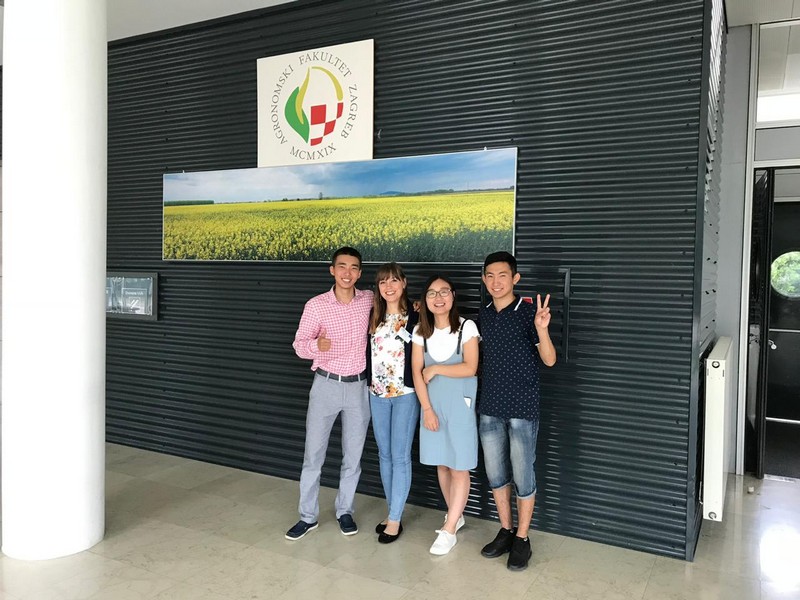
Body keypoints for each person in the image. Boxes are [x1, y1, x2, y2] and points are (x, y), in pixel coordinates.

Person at [286, 246, 373, 540]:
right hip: (326, 385)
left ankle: (344, 511)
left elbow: (394, 305)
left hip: (359, 387)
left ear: (359, 273)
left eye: (354, 267)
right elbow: (299, 344)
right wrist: (316, 346)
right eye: (342, 267)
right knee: (313, 455)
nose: (348, 273)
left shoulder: (369, 299)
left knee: (353, 456)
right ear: (332, 270)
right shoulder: (316, 305)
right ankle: (307, 516)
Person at [477, 251, 556, 571]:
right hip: (489, 407)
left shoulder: (528, 313)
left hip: (522, 408)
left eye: (503, 275)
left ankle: (522, 538)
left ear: (515, 278)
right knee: (496, 474)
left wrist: (542, 328)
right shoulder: (483, 315)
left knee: (523, 475)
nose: (496, 282)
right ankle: (506, 530)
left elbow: (549, 360)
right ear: (484, 279)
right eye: (490, 276)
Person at [412, 274, 479, 555]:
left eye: (444, 292)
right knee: (442, 462)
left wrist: (437, 369)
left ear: (453, 296)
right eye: (432, 293)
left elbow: (470, 367)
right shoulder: (420, 332)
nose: (438, 298)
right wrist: (427, 410)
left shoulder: (466, 327)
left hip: (460, 405)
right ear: (425, 300)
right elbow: (417, 373)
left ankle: (449, 529)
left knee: (459, 466)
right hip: (433, 406)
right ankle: (455, 515)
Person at [367, 262, 419, 544]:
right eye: (383, 281)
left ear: (404, 283)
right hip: (376, 394)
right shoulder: (373, 315)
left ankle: (396, 519)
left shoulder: (416, 316)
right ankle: (391, 512)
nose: (389, 286)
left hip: (405, 395)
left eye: (394, 280)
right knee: (384, 455)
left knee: (400, 456)